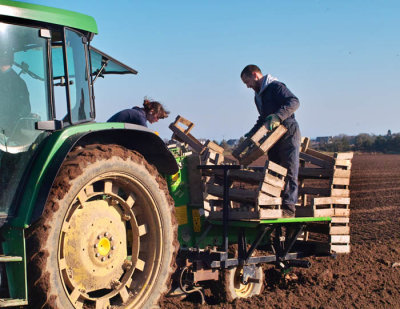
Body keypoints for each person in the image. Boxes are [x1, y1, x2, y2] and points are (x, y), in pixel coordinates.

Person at [240, 64, 300, 218]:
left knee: (289, 170)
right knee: (274, 170)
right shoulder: (258, 96)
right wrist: (252, 133)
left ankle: (289, 209)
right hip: (272, 136)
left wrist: (278, 116)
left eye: (248, 82)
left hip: (288, 131)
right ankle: (274, 205)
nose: (247, 86)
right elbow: (263, 118)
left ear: (255, 75)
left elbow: (294, 102)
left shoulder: (276, 87)